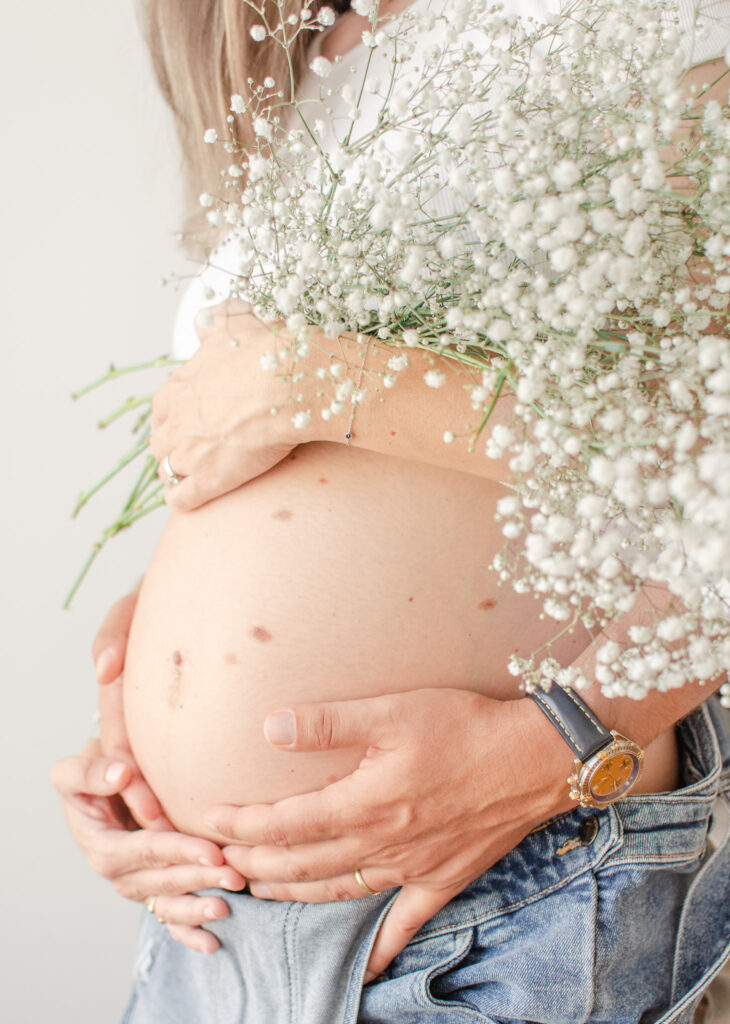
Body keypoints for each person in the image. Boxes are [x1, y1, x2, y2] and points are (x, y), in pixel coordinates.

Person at [53, 0, 730, 1021]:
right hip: (215, 913)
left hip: (502, 889)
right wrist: (140, 698)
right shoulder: (292, 56)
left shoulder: (639, 26)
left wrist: (568, 743)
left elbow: (689, 464)